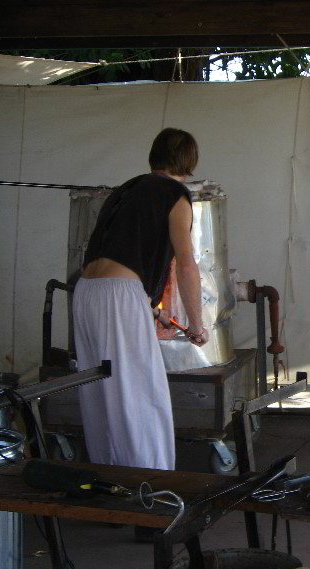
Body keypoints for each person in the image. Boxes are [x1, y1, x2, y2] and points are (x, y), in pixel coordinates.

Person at [73, 128, 208, 475]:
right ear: (189, 161)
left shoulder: (126, 189)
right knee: (141, 393)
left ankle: (110, 478)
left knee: (101, 393)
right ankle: (151, 484)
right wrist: (196, 323)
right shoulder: (175, 195)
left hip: (87, 294)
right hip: (118, 297)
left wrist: (149, 309)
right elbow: (186, 263)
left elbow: (123, 254)